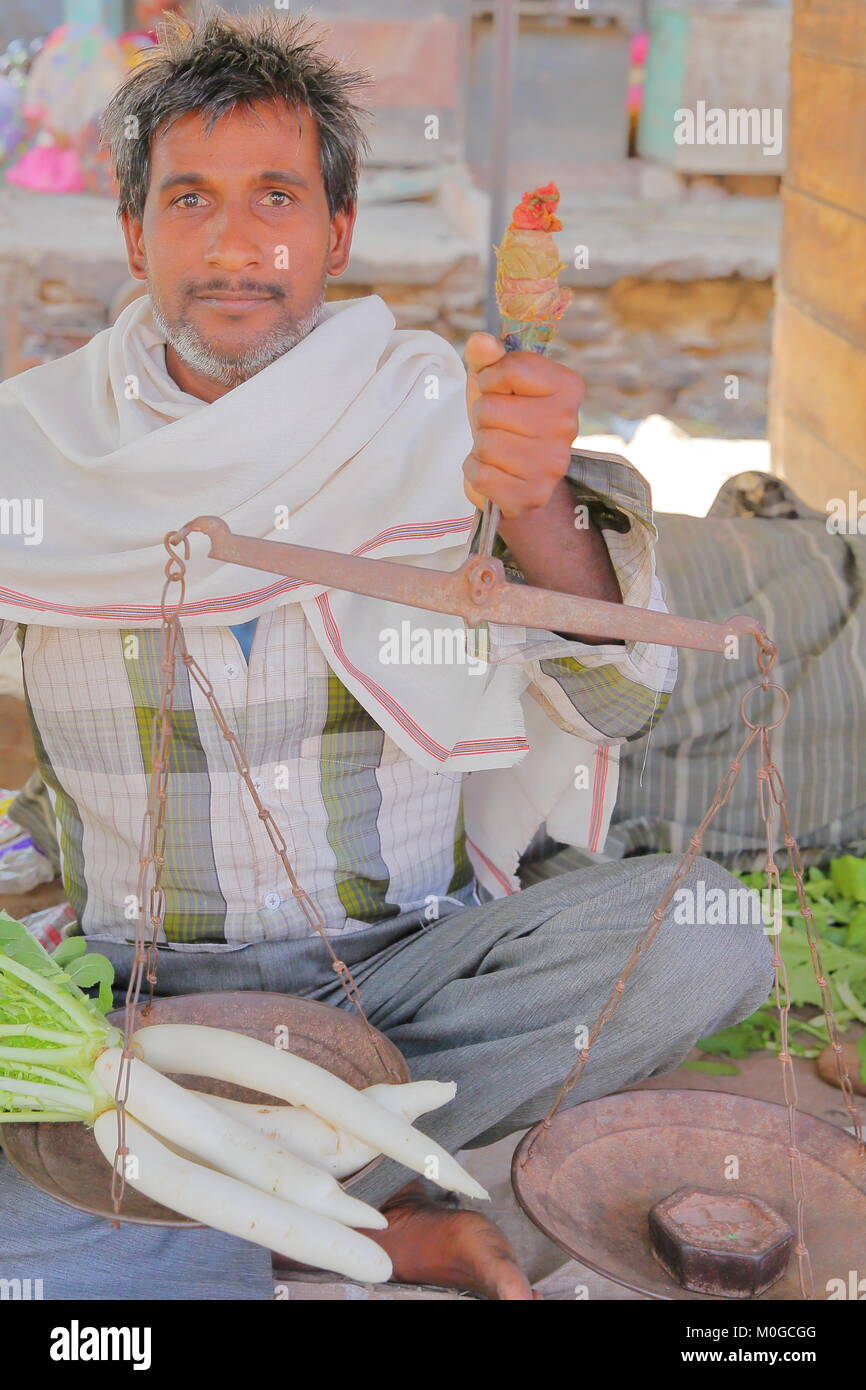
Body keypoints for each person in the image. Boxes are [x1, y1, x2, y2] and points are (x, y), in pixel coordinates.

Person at [0, 8, 773, 1301]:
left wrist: (531, 507)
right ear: (133, 233)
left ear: (338, 234)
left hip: (402, 970)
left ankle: (223, 1212)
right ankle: (378, 1220)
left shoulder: (438, 414)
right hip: (142, 993)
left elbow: (615, 692)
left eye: (278, 197)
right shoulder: (36, 455)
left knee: (704, 933)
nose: (236, 241)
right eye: (190, 198)